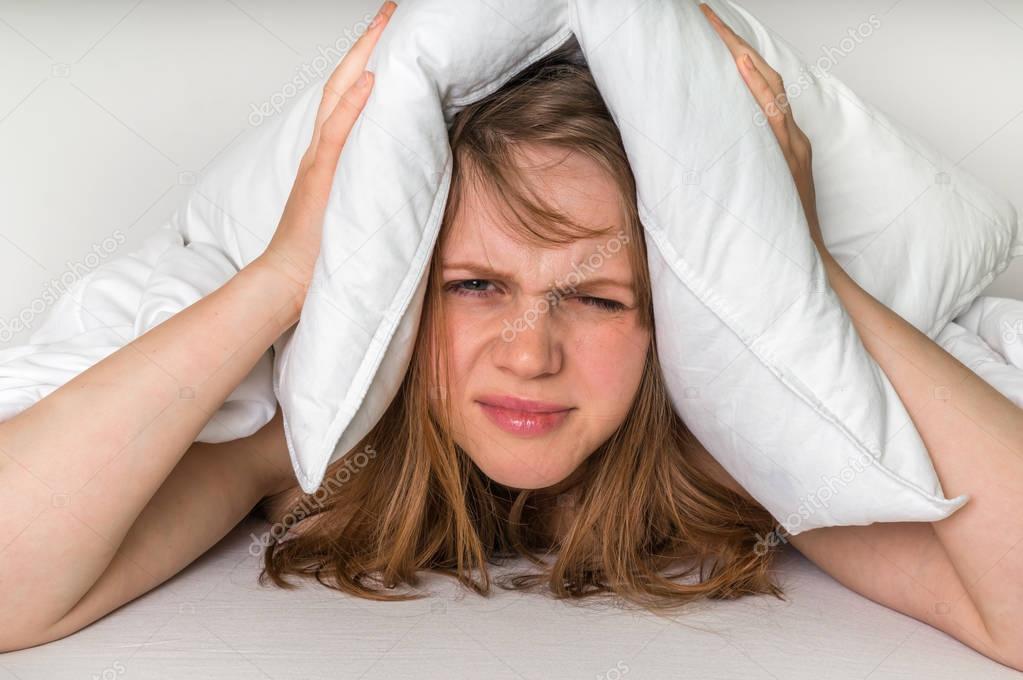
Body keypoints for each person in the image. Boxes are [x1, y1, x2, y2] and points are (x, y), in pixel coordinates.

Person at [1, 2, 1020, 670]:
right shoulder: (321, 447)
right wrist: (283, 276)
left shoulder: (730, 463)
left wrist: (811, 282)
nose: (530, 352)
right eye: (477, 284)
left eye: (599, 298)